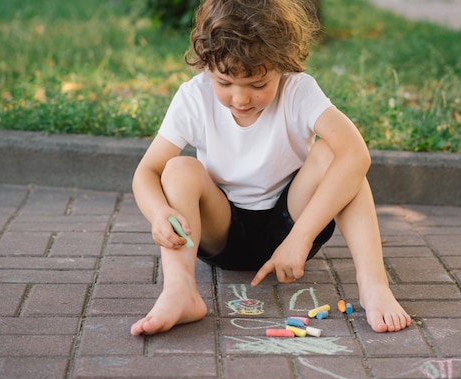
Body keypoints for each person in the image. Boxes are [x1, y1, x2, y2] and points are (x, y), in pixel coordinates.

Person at [130, 0, 411, 336]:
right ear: (207, 65)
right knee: (177, 170)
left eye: (258, 85)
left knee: (335, 157)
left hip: (290, 224)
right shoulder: (194, 97)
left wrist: (301, 238)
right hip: (222, 231)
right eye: (224, 82)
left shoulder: (298, 90)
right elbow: (147, 171)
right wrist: (159, 211)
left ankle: (374, 284)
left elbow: (356, 154)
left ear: (282, 63)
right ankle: (179, 291)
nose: (240, 99)